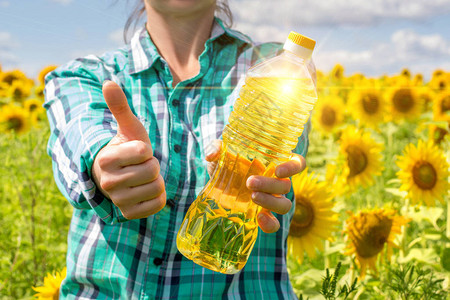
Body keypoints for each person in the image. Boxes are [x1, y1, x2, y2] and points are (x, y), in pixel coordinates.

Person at [44, 0, 315, 298]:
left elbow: (282, 149)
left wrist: (237, 167)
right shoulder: (81, 77)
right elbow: (80, 137)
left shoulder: (276, 67)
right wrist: (103, 166)